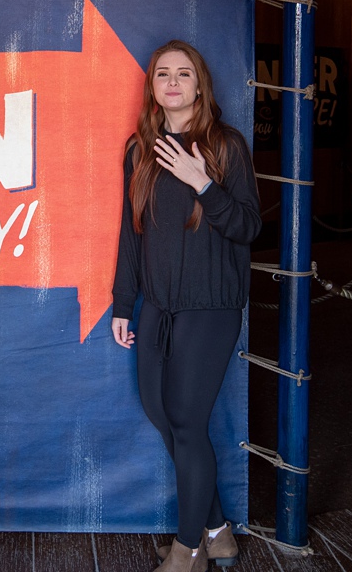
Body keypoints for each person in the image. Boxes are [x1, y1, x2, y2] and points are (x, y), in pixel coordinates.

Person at [111, 40, 261, 572]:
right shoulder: (139, 150)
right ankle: (218, 532)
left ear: (200, 85)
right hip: (157, 305)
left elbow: (248, 227)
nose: (172, 83)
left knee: (186, 421)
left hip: (210, 307)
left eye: (183, 74)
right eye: (162, 75)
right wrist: (123, 303)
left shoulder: (226, 148)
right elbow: (132, 234)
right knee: (163, 414)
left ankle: (188, 550)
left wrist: (203, 183)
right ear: (153, 87)